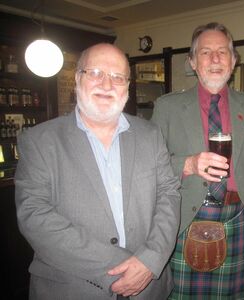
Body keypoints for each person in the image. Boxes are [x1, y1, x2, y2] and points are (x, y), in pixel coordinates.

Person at [14, 43, 181, 300]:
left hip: (149, 288)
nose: (106, 84)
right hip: (71, 289)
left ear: (127, 85)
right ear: (77, 79)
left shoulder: (150, 134)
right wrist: (123, 267)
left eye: (117, 77)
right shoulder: (39, 141)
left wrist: (150, 261)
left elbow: (169, 195)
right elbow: (35, 217)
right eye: (95, 73)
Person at [151, 22, 244, 299]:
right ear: (192, 62)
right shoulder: (167, 108)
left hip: (238, 221)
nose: (214, 59)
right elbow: (148, 168)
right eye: (205, 52)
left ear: (233, 61)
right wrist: (187, 164)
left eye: (223, 52)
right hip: (186, 222)